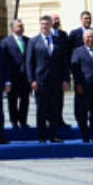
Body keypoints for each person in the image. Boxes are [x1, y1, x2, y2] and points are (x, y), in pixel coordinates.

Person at [26, 15, 70, 143]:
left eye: (47, 23)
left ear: (51, 25)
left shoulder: (58, 40)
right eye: (42, 24)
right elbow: (30, 63)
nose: (44, 26)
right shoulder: (33, 41)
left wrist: (65, 79)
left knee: (55, 109)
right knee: (41, 109)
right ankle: (42, 136)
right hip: (41, 81)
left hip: (56, 81)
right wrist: (32, 80)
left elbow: (64, 62)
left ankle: (53, 135)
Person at [70, 29, 93, 143]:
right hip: (84, 87)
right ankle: (85, 136)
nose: (90, 39)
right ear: (84, 39)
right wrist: (78, 84)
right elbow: (75, 69)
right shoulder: (77, 51)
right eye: (88, 37)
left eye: (92, 37)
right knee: (83, 113)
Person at [1, 19, 30, 128]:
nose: (21, 28)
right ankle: (14, 121)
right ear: (12, 28)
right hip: (12, 77)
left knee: (25, 100)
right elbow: (4, 62)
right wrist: (6, 79)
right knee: (12, 100)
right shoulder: (6, 42)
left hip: (25, 77)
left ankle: (23, 121)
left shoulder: (28, 41)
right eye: (19, 26)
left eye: (22, 26)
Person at [51, 13, 71, 128]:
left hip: (61, 72)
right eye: (54, 19)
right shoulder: (47, 35)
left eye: (58, 19)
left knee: (60, 99)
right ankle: (51, 120)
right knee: (50, 100)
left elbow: (67, 54)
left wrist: (67, 75)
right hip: (49, 74)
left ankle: (59, 119)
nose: (56, 21)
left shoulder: (64, 35)